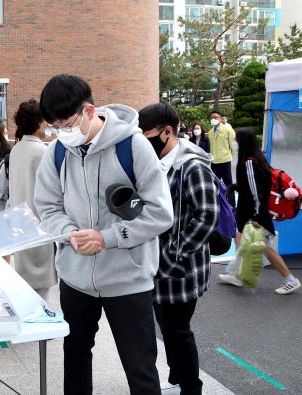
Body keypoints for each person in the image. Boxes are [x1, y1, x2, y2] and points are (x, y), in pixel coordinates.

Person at [34, 75, 173, 395]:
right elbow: (48, 208)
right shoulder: (57, 153)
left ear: (89, 111)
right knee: (76, 358)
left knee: (140, 368)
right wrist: (69, 234)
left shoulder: (132, 146)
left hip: (128, 279)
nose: (61, 134)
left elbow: (160, 213)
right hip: (76, 278)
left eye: (66, 124)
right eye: (54, 127)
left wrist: (107, 237)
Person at [139, 102, 219, 395]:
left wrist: (175, 253)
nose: (143, 143)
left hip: (181, 268)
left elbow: (207, 216)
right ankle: (176, 378)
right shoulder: (160, 165)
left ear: (166, 132)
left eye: (146, 135)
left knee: (177, 331)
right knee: (168, 326)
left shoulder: (192, 166)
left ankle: (191, 388)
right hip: (159, 266)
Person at [219, 128, 301, 295]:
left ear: (243, 142)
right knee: (240, 240)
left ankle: (291, 280)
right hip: (248, 212)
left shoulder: (249, 162)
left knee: (266, 249)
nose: (235, 142)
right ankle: (238, 276)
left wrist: (256, 216)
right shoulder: (256, 158)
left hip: (254, 214)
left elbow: (256, 192)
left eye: (237, 139)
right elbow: (251, 186)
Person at [8, 99, 56, 301]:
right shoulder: (43, 152)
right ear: (39, 122)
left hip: (18, 223)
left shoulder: (16, 150)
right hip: (39, 226)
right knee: (40, 290)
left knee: (25, 285)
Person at [208, 110, 235, 206]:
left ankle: (232, 206)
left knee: (229, 184)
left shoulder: (228, 130)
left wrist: (228, 155)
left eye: (216, 117)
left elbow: (233, 147)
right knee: (214, 184)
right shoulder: (210, 132)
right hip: (214, 162)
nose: (213, 119)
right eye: (211, 117)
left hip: (225, 161)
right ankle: (217, 204)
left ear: (220, 118)